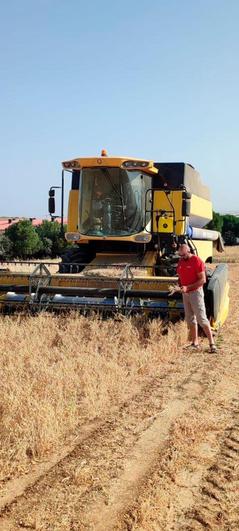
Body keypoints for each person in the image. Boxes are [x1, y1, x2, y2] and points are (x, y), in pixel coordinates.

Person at [176, 243, 217, 353]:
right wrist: (179, 286)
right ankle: (195, 343)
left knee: (202, 319)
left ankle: (212, 344)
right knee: (190, 319)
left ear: (189, 252)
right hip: (185, 294)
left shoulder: (197, 261)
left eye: (183, 255)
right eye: (180, 256)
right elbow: (180, 277)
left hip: (195, 293)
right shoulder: (180, 262)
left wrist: (187, 287)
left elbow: (202, 280)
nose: (182, 258)